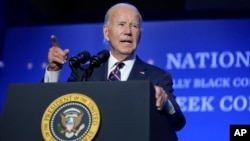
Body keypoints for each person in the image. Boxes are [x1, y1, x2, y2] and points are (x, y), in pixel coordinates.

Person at [44, 2, 186, 140]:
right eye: (121, 24)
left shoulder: (158, 77)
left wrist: (166, 103)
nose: (128, 32)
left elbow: (178, 122)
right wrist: (53, 71)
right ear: (106, 32)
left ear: (140, 34)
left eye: (134, 26)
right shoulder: (85, 73)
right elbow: (52, 109)